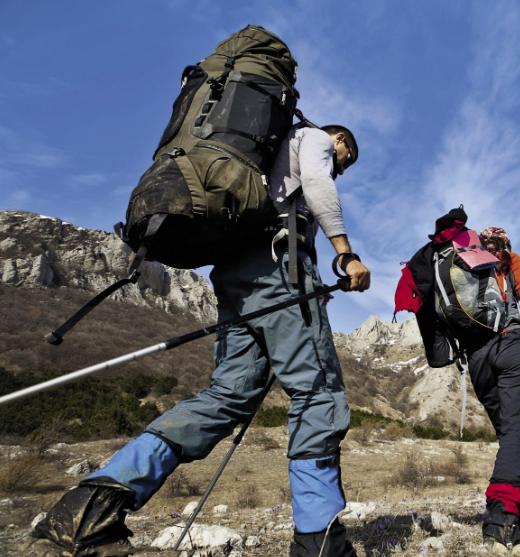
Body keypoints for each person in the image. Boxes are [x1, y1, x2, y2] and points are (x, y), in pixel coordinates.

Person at [27, 124, 371, 557]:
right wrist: (345, 250)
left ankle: (87, 512)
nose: (344, 165)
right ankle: (320, 544)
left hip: (232, 274)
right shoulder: (313, 137)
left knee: (227, 395)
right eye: (347, 157)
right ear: (339, 139)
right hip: (278, 266)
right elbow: (319, 184)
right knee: (317, 394)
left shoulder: (261, 154)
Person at [471, 226, 520, 554]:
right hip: (510, 346)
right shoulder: (509, 258)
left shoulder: (468, 263)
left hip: (477, 357)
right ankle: (501, 514)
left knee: (509, 438)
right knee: (514, 436)